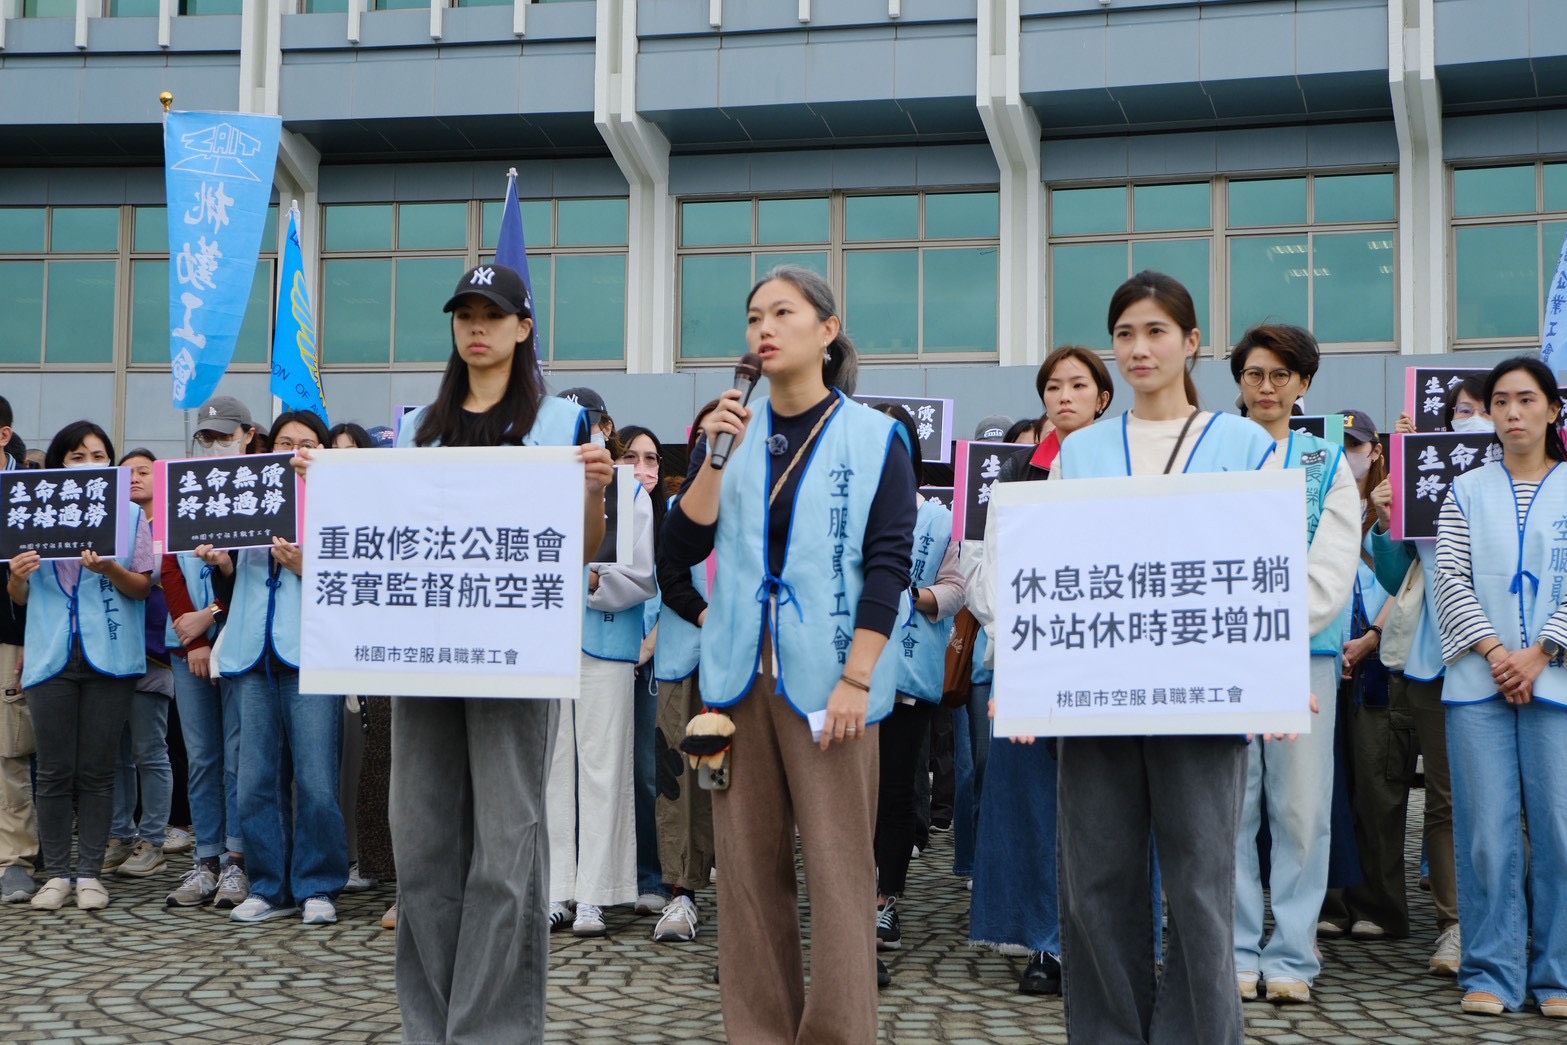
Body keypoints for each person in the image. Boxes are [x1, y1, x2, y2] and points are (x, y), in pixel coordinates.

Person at [661, 264, 915, 1041]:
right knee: (745, 874)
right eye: (751, 318)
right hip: (736, 681)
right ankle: (759, 1030)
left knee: (841, 874)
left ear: (826, 330)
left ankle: (838, 1031)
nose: (762, 329)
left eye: (781, 312)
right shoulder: (726, 432)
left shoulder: (876, 437)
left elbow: (887, 564)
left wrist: (856, 677)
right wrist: (713, 456)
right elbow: (681, 545)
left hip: (831, 680)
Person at [387, 263, 611, 1042]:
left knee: (503, 852)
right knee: (419, 847)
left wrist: (593, 493)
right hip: (419, 659)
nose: (476, 327)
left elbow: (582, 552)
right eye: (464, 314)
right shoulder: (415, 427)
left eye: (494, 313)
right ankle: (430, 1022)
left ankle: (489, 1029)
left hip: (517, 657)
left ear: (524, 327)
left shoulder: (560, 423)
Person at [1052, 271, 1277, 1043]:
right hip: (1095, 693)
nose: (1138, 348)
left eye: (1155, 331)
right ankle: (1108, 1030)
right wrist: (1027, 681)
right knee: (1095, 882)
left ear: (1192, 343)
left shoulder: (1245, 443)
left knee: (1201, 885)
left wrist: (1273, 678)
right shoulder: (1077, 452)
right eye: (1124, 333)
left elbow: (1267, 568)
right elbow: (1048, 572)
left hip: (1206, 697)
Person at [966, 345, 1115, 995]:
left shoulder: (1125, 476)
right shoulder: (1016, 484)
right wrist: (1022, 639)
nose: (1063, 395)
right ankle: (1047, 942)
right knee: (1033, 805)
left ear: (1102, 398)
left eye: (1078, 384)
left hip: (1107, 667)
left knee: (1102, 806)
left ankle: (1108, 939)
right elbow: (987, 578)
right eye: (1052, 385)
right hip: (1028, 664)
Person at [1227, 325, 1361, 1005]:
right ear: (1239, 381)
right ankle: (1236, 948)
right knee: (1230, 803)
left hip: (1301, 652)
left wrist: (1275, 624)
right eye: (1254, 373)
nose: (1266, 387)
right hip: (1220, 654)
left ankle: (1292, 953)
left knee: (1300, 808)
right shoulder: (1217, 453)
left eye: (1281, 375)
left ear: (1303, 383)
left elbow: (1333, 566)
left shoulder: (1326, 460)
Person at [1433, 355, 1567, 1020]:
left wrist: (1541, 651)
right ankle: (1490, 968)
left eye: (1525, 399)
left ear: (1551, 408)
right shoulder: (1465, 490)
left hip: (1558, 680)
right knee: (1486, 832)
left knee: (1561, 830)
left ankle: (1557, 973)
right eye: (1501, 402)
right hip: (1476, 684)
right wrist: (1496, 654)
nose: (1512, 412)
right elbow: (1448, 580)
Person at [203, 410, 346, 926]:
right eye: (284, 441)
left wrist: (306, 565)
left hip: (312, 653)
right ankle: (268, 885)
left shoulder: (343, 501)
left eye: (307, 443)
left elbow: (359, 578)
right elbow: (229, 585)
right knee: (255, 778)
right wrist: (220, 563)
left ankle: (318, 885)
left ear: (324, 452)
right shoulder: (246, 497)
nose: (294, 450)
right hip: (250, 650)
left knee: (316, 780)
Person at [11, 421, 154, 911]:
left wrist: (109, 567)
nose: (88, 463)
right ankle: (56, 874)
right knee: (51, 770)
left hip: (109, 655)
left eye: (98, 455)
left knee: (97, 769)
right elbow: (22, 597)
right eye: (76, 456)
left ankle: (90, 873)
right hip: (51, 654)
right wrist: (15, 577)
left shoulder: (133, 517)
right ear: (59, 464)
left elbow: (142, 587)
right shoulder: (33, 513)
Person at [1360, 388, 1471, 973]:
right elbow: (1400, 571)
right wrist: (1386, 517)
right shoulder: (1435, 480)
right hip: (1437, 657)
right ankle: (1454, 925)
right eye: (1466, 410)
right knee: (1447, 801)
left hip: (1527, 658)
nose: (1479, 418)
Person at [547, 393, 657, 938]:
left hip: (606, 643)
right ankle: (555, 889)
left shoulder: (631, 488)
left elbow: (642, 577)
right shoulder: (540, 481)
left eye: (587, 425)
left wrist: (594, 582)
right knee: (551, 769)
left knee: (603, 769)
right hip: (546, 646)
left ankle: (595, 895)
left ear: (605, 429)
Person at [870, 403, 965, 958]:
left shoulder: (938, 519)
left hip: (905, 674)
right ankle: (846, 892)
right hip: (843, 674)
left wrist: (915, 597)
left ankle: (885, 899)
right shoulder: (844, 507)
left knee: (897, 788)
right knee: (848, 790)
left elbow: (956, 587)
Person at [161, 394, 255, 909]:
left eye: (226, 435)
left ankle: (238, 862)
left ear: (247, 435)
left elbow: (252, 573)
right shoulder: (182, 489)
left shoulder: (264, 489)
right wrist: (194, 638)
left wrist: (214, 614)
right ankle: (206, 859)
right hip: (189, 647)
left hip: (240, 646)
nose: (217, 444)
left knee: (239, 757)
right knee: (202, 758)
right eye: (208, 437)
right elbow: (170, 566)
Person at [1319, 409, 1404, 942]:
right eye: (1341, 443)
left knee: (1377, 787)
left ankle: (1379, 902)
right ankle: (1329, 900)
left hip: (1377, 658)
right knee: (1325, 784)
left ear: (1375, 450)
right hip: (1324, 656)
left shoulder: (1392, 501)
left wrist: (1371, 636)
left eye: (1357, 445)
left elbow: (1409, 577)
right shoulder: (1314, 500)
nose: (1350, 453)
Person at [650, 402, 720, 945]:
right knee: (680, 777)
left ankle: (750, 895)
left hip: (747, 664)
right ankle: (681, 894)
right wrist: (708, 616)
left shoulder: (763, 507)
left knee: (742, 780)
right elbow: (670, 577)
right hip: (685, 659)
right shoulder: (675, 508)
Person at [102, 449, 177, 881]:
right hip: (109, 652)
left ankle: (153, 839)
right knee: (114, 755)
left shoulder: (171, 524)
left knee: (149, 750)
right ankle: (119, 835)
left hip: (152, 651)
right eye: (126, 472)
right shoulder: (111, 525)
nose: (133, 479)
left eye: (144, 472)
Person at [614, 424, 674, 919]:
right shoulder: (608, 511)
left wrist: (650, 645)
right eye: (632, 457)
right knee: (603, 771)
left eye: (652, 458)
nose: (643, 467)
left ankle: (652, 876)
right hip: (607, 652)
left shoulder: (673, 516)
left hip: (656, 659)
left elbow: (675, 588)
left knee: (649, 772)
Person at [0, 394, 37, 904]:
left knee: (8, 754)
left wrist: (33, 638)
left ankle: (16, 858)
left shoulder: (31, 491)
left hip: (10, 635)